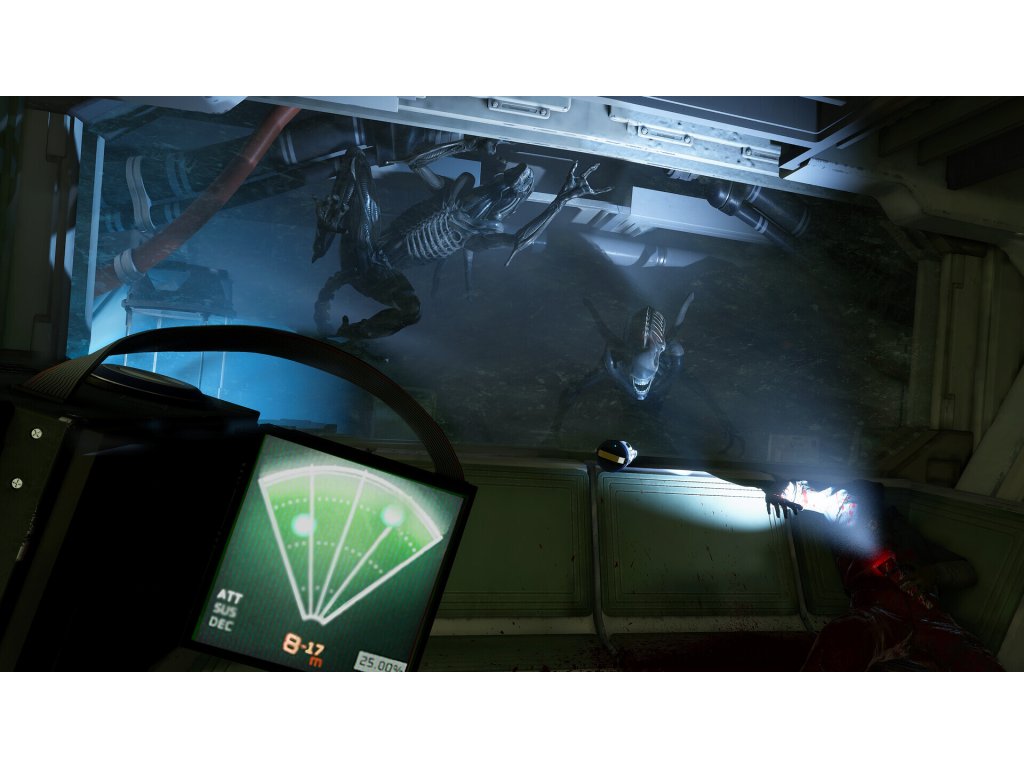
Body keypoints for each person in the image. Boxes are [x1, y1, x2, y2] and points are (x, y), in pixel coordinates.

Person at [763, 478, 1003, 671]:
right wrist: (782, 490)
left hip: (929, 613)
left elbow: (967, 571)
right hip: (879, 612)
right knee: (843, 637)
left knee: (976, 660)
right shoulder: (850, 512)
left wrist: (934, 572)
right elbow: (815, 496)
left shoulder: (910, 537)